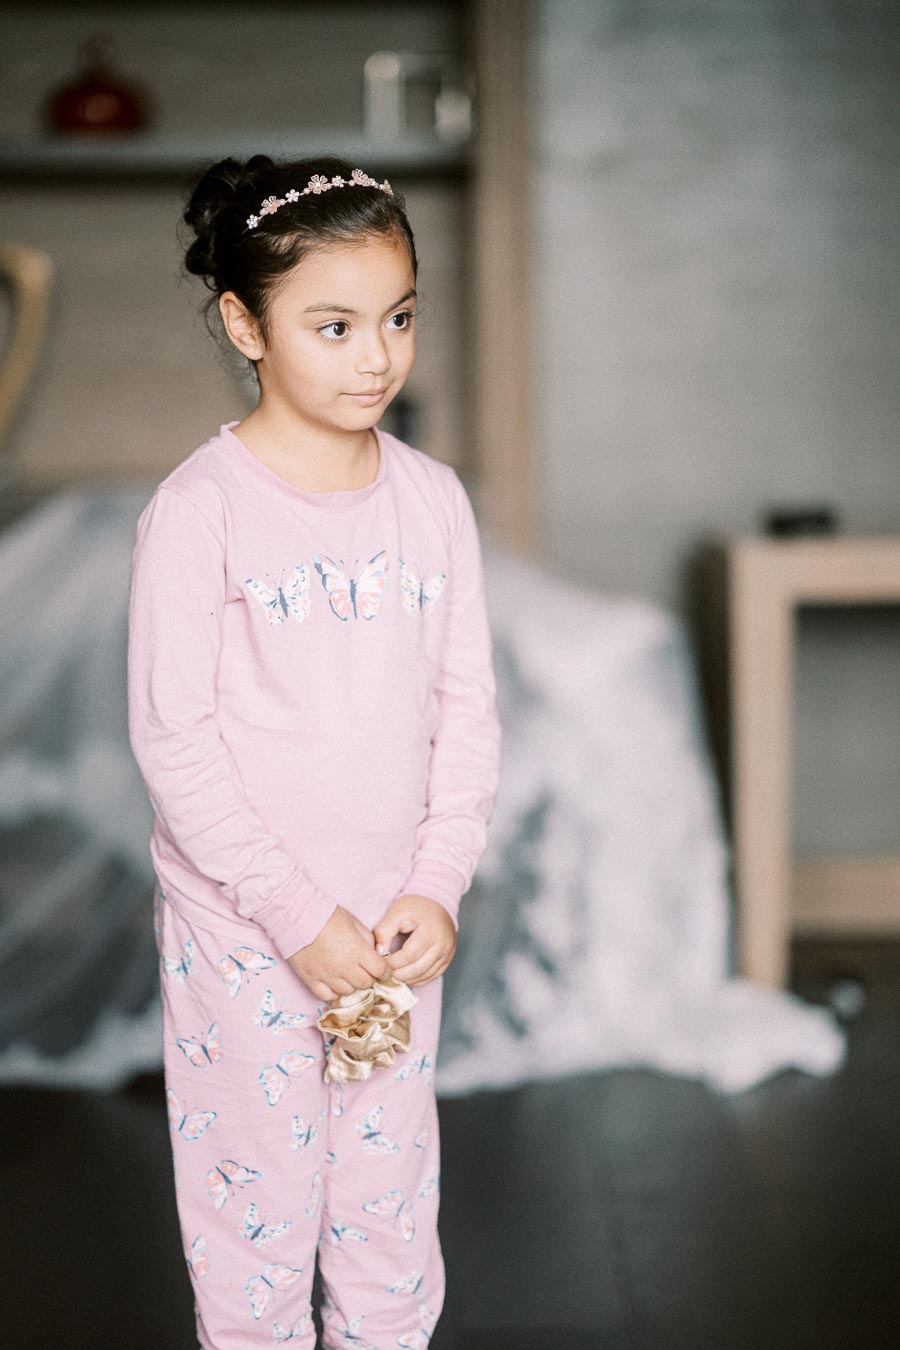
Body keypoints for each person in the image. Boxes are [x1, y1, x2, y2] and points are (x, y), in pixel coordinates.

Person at [127, 154, 501, 1349]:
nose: (376, 357)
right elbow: (172, 742)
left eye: (397, 318)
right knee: (260, 1214)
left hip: (391, 928)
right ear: (246, 323)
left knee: (388, 1211)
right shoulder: (202, 510)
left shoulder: (433, 499)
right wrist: (292, 914)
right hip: (247, 934)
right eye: (332, 326)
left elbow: (468, 711)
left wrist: (437, 882)